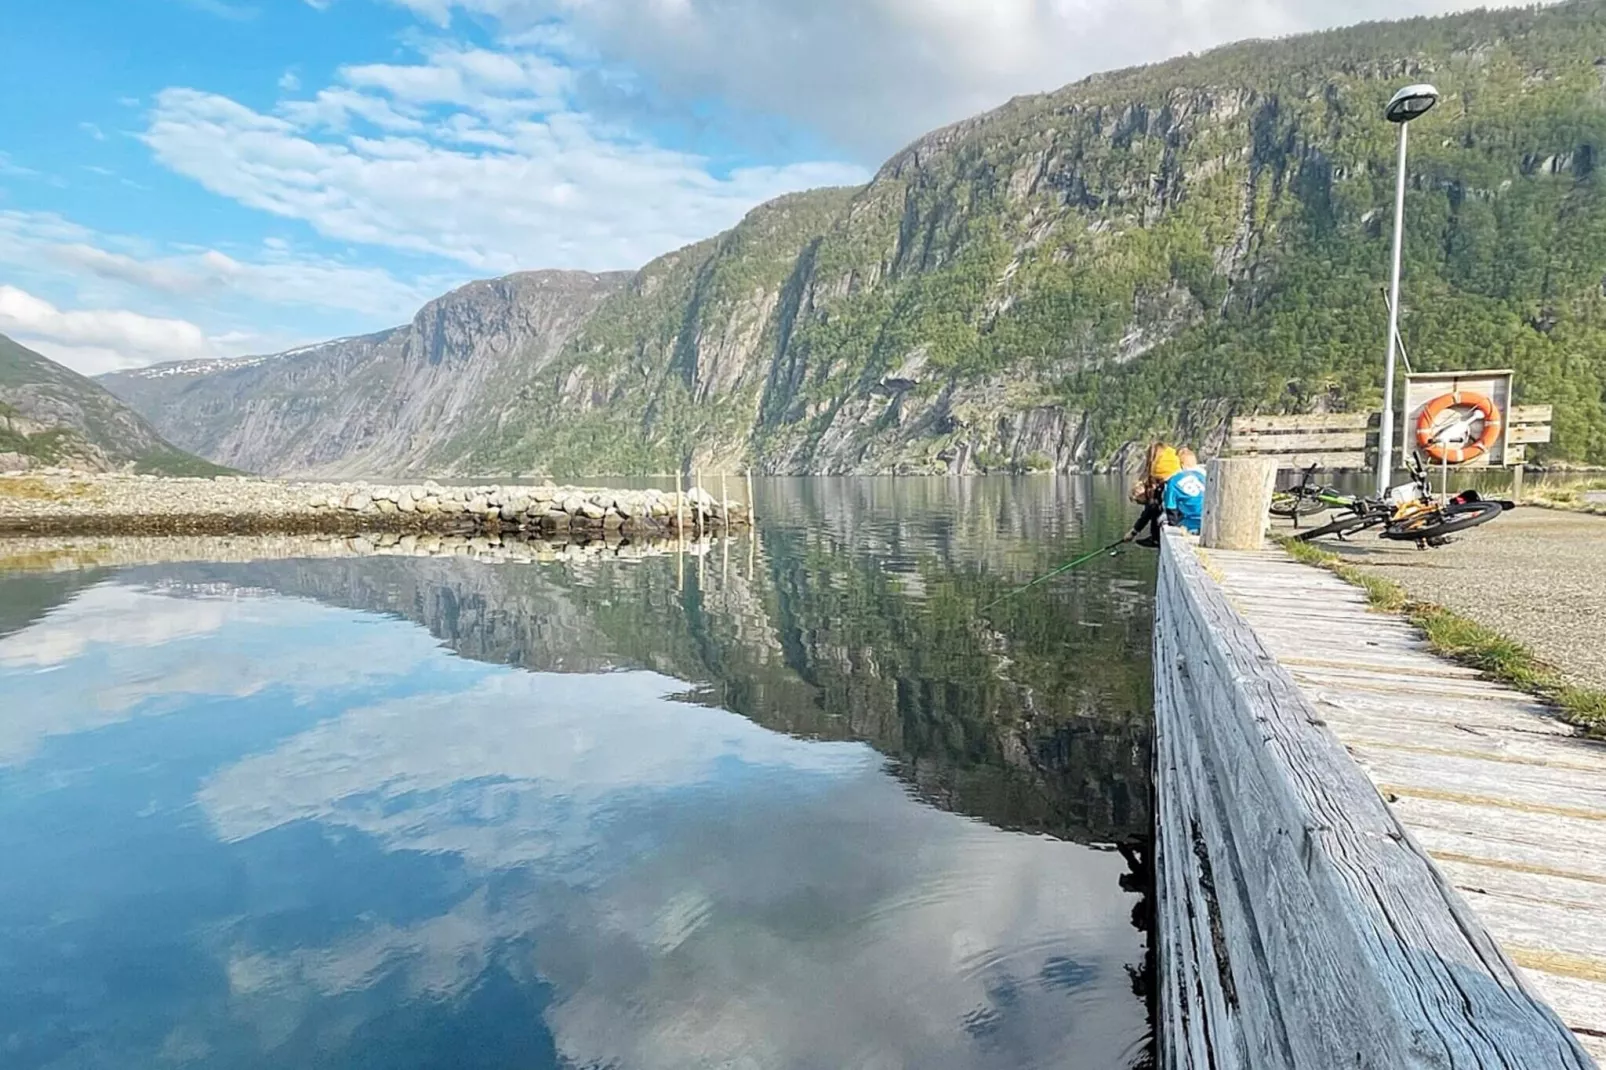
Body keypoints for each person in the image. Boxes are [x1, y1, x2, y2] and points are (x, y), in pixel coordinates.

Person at [1124, 444, 1181, 547]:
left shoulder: (1166, 482)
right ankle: (1155, 537)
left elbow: (1149, 510)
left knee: (1153, 506)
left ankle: (1155, 539)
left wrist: (1134, 531)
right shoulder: (1172, 463)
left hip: (1177, 516)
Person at [1164, 448, 1207, 535]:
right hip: (1208, 521)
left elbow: (1171, 507)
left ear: (1180, 464)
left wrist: (1173, 525)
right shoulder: (1204, 476)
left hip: (1190, 523)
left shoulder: (1174, 481)